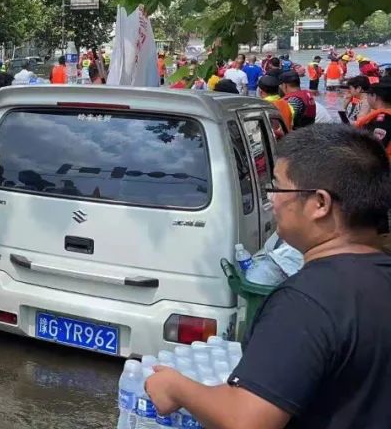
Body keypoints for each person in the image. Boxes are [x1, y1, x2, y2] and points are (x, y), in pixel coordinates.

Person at [146, 125, 391, 429]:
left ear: (319, 204)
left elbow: (248, 420)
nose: (272, 200)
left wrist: (176, 387)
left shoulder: (307, 301)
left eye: (277, 187)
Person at [355, 77, 391, 158]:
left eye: (368, 94)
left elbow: (375, 149)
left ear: (374, 96)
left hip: (384, 167)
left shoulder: (383, 120)